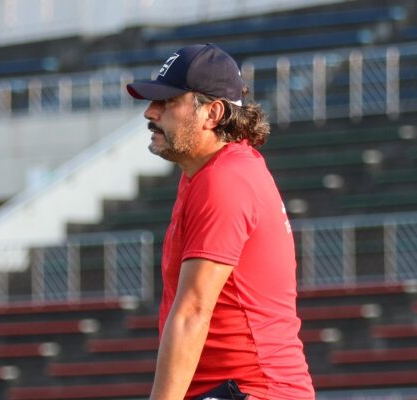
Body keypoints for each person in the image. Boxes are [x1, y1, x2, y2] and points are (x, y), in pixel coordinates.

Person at [125, 43, 315, 400]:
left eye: (167, 102)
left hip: (253, 390)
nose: (150, 112)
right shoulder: (209, 172)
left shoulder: (224, 179)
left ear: (212, 113)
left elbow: (193, 313)